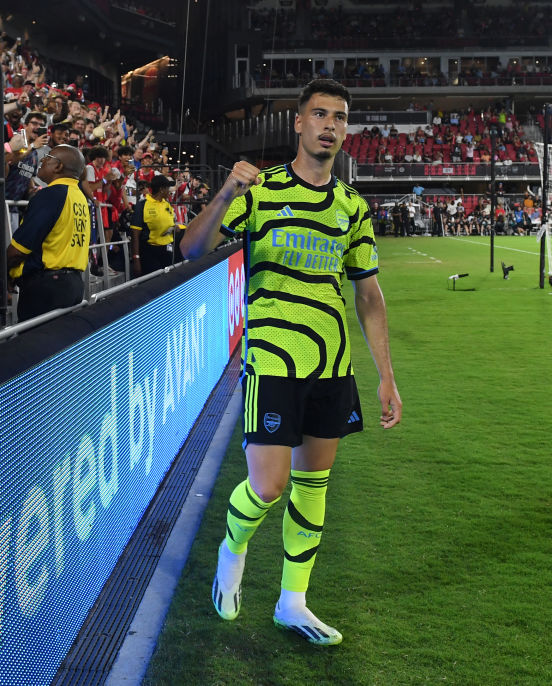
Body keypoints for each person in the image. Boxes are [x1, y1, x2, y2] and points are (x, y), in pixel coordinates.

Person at [180, 78, 402, 646]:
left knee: (313, 486)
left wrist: (386, 378)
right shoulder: (260, 190)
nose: (330, 125)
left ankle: (292, 602)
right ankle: (232, 553)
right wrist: (228, 190)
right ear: (299, 124)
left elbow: (368, 295)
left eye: (340, 117)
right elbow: (191, 249)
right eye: (320, 114)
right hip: (274, 360)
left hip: (331, 364)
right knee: (269, 486)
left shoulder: (352, 207)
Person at [7, 144, 90, 320]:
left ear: (58, 166)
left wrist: (3, 274)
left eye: (47, 159)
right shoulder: (79, 196)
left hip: (47, 289)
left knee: (35, 345)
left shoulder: (51, 194)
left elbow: (19, 250)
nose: (42, 161)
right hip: (73, 284)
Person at [129, 173, 176, 275]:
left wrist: (174, 228)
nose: (170, 191)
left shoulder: (167, 204)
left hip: (167, 251)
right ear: (161, 189)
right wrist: (136, 258)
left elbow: (171, 223)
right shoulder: (142, 205)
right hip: (150, 252)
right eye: (168, 188)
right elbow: (135, 234)